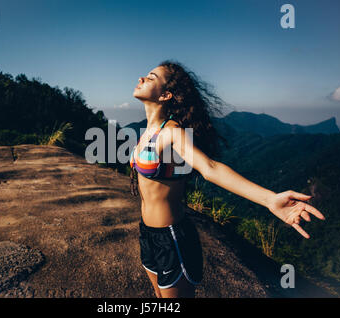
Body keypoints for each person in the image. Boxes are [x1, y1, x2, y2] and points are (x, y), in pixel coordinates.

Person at [129, 60, 325, 298]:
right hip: (148, 232)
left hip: (171, 238)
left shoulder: (172, 132)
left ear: (166, 94)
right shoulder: (149, 131)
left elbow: (210, 168)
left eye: (151, 78)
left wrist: (270, 199)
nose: (141, 78)